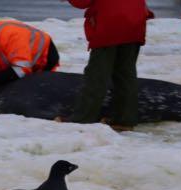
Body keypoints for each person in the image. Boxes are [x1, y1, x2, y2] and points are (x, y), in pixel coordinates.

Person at [62, 0, 147, 131]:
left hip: (110, 25)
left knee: (96, 75)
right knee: (125, 75)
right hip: (135, 24)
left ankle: (83, 119)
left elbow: (82, 1)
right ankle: (124, 120)